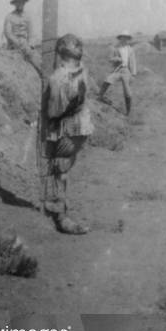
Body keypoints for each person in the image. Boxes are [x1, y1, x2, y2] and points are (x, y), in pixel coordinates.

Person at [42, 33, 94, 235]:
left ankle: (61, 217)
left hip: (65, 127)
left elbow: (54, 111)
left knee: (59, 170)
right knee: (64, 166)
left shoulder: (57, 78)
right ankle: (57, 207)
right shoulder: (83, 71)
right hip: (81, 126)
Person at [98, 30, 137, 115]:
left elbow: (133, 62)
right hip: (118, 70)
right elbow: (110, 59)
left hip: (126, 71)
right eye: (123, 38)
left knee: (127, 90)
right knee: (108, 80)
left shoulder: (130, 50)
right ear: (120, 38)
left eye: (126, 38)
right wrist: (117, 59)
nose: (125, 40)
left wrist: (133, 74)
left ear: (128, 39)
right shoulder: (115, 48)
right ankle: (100, 96)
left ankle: (128, 111)